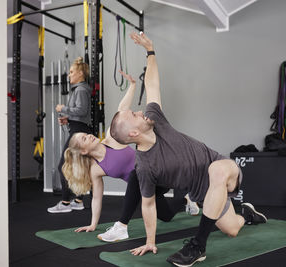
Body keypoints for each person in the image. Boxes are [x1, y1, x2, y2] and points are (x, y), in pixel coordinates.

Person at [109, 32, 267, 266]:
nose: (140, 111)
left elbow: (151, 84)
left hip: (222, 167)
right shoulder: (144, 167)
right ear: (133, 133)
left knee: (217, 171)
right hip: (203, 193)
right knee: (232, 229)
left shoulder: (156, 119)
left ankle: (198, 246)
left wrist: (150, 51)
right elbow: (149, 204)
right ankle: (245, 212)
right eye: (134, 115)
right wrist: (151, 241)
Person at [62, 70, 199, 242]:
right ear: (83, 151)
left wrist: (133, 86)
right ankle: (187, 201)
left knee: (136, 172)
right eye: (84, 138)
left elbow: (122, 111)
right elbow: (97, 198)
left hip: (158, 172)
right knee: (166, 215)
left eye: (86, 134)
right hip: (146, 187)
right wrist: (93, 224)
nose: (89, 135)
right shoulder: (96, 169)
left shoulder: (111, 138)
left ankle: (121, 226)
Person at [47, 57, 93, 213]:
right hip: (79, 127)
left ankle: (66, 203)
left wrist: (63, 108)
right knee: (78, 167)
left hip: (79, 131)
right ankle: (78, 200)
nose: (69, 75)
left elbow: (81, 110)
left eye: (72, 72)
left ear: (80, 73)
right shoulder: (81, 89)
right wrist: (68, 119)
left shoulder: (80, 89)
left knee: (63, 165)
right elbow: (82, 113)